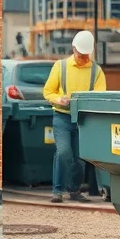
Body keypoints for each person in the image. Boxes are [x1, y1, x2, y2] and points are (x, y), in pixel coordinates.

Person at [41, 30, 106, 204]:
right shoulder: (60, 66)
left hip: (82, 120)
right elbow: (48, 91)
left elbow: (99, 96)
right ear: (73, 49)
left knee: (79, 158)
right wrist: (59, 99)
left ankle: (74, 191)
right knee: (63, 152)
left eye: (85, 55)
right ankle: (57, 191)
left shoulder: (96, 71)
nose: (82, 58)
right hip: (62, 117)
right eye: (79, 54)